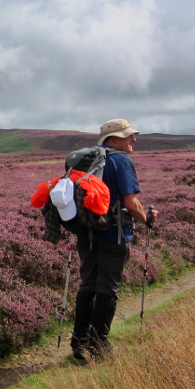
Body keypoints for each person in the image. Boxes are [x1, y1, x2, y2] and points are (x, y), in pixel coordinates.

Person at [70, 119, 158, 360]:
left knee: (88, 284)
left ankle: (79, 343)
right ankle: (99, 345)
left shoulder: (85, 159)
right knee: (107, 289)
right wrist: (147, 219)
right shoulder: (121, 160)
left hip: (85, 233)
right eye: (129, 135)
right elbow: (131, 203)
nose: (134, 140)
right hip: (114, 234)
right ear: (115, 139)